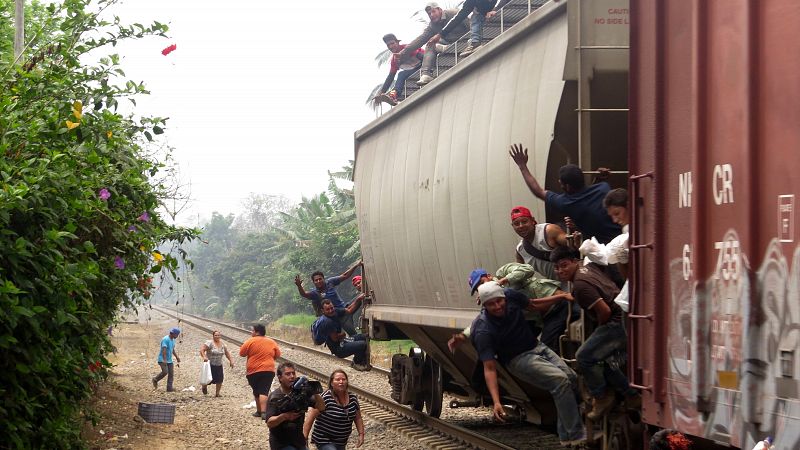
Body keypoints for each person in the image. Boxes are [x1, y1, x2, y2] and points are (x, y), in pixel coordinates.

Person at [471, 281, 585, 446]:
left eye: (499, 301)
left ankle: (565, 435)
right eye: (491, 304)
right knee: (560, 381)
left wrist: (561, 296)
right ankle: (575, 435)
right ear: (483, 305)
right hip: (518, 359)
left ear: (504, 297)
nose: (497, 306)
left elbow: (532, 305)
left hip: (537, 346)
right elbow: (489, 368)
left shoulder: (511, 295)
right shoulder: (483, 330)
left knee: (571, 378)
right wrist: (496, 401)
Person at [550, 246, 640, 419]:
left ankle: (601, 397)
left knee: (584, 357)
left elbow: (604, 311)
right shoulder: (587, 266)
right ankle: (631, 396)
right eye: (557, 267)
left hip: (616, 321)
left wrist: (600, 329)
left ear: (574, 262)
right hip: (626, 316)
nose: (560, 271)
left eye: (564, 265)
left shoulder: (580, 286)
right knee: (601, 357)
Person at [509, 143, 621, 244]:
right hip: (622, 238)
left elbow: (538, 191)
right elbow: (592, 197)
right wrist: (600, 179)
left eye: (560, 182)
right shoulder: (603, 187)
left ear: (567, 186)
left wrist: (522, 166)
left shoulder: (567, 203)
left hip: (606, 250)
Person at [398, 2, 471, 86]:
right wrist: (403, 52)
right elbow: (420, 40)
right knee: (430, 43)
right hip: (450, 43)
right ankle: (426, 74)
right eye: (429, 14)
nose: (431, 15)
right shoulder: (432, 26)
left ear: (440, 10)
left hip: (466, 41)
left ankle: (447, 48)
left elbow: (471, 25)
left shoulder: (453, 13)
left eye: (433, 11)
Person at [266, 362, 325, 450]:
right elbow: (270, 423)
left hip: (298, 441)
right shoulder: (275, 396)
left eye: (293, 373)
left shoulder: (301, 393)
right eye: (288, 374)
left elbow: (321, 407)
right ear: (280, 378)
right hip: (281, 443)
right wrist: (284, 416)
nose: (292, 376)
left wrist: (314, 392)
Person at [295, 259, 362, 335]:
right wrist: (299, 286)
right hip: (337, 315)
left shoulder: (330, 282)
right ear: (313, 282)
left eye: (320, 279)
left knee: (361, 297)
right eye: (316, 280)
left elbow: (345, 275)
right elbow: (304, 294)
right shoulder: (315, 293)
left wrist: (356, 265)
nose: (318, 281)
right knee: (353, 334)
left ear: (324, 279)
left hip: (345, 307)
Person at [304, 369, 365, 449]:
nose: (341, 382)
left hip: (341, 441)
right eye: (338, 379)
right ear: (332, 383)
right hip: (324, 440)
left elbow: (358, 418)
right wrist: (304, 438)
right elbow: (310, 418)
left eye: (343, 379)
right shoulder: (325, 398)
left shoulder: (353, 398)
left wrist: (361, 434)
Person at [510, 205, 573, 282]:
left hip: (574, 280)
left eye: (524, 221)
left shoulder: (548, 231)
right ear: (512, 226)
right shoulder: (520, 250)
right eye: (516, 224)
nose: (521, 226)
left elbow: (574, 246)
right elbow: (520, 275)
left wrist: (575, 228)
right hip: (556, 285)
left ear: (532, 221)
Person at [428, 0, 511, 57]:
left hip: (503, 8)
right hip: (486, 15)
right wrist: (440, 34)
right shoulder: (471, 2)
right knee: (475, 15)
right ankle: (475, 42)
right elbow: (459, 17)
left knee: (476, 15)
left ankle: (473, 42)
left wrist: (496, 9)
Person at [315, 299, 371, 371]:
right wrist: (342, 335)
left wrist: (358, 299)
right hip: (339, 348)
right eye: (327, 309)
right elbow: (335, 338)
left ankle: (361, 360)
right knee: (362, 344)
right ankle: (357, 363)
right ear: (323, 311)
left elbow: (349, 310)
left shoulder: (335, 312)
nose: (331, 311)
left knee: (364, 337)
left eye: (332, 308)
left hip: (344, 341)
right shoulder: (327, 322)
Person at [239, 324, 281, 419]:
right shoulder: (271, 342)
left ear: (256, 331)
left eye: (252, 330)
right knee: (263, 390)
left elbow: (242, 353)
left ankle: (263, 412)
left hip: (253, 371)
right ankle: (260, 411)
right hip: (268, 370)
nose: (251, 332)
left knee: (258, 391)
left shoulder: (250, 341)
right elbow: (277, 355)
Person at [374, 33, 424, 106]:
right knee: (401, 74)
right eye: (388, 45)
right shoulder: (394, 60)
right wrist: (381, 92)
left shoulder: (406, 48)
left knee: (402, 74)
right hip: (415, 69)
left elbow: (422, 56)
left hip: (425, 64)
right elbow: (391, 76)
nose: (391, 46)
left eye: (392, 43)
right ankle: (393, 95)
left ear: (397, 42)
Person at [199, 330, 234, 397]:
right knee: (207, 378)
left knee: (220, 379)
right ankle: (204, 387)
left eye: (218, 335)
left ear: (220, 336)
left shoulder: (223, 344)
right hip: (210, 364)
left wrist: (231, 360)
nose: (217, 336)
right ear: (213, 336)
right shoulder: (209, 343)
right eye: (216, 335)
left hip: (219, 364)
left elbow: (227, 353)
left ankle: (217, 393)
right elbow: (202, 349)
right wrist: (204, 356)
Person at [152, 327, 181, 392]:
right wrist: (164, 359)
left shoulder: (172, 340)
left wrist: (177, 357)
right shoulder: (165, 339)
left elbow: (172, 349)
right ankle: (155, 379)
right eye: (177, 335)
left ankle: (169, 388)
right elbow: (164, 350)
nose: (177, 336)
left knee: (171, 373)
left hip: (169, 360)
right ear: (174, 334)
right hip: (162, 359)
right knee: (165, 372)